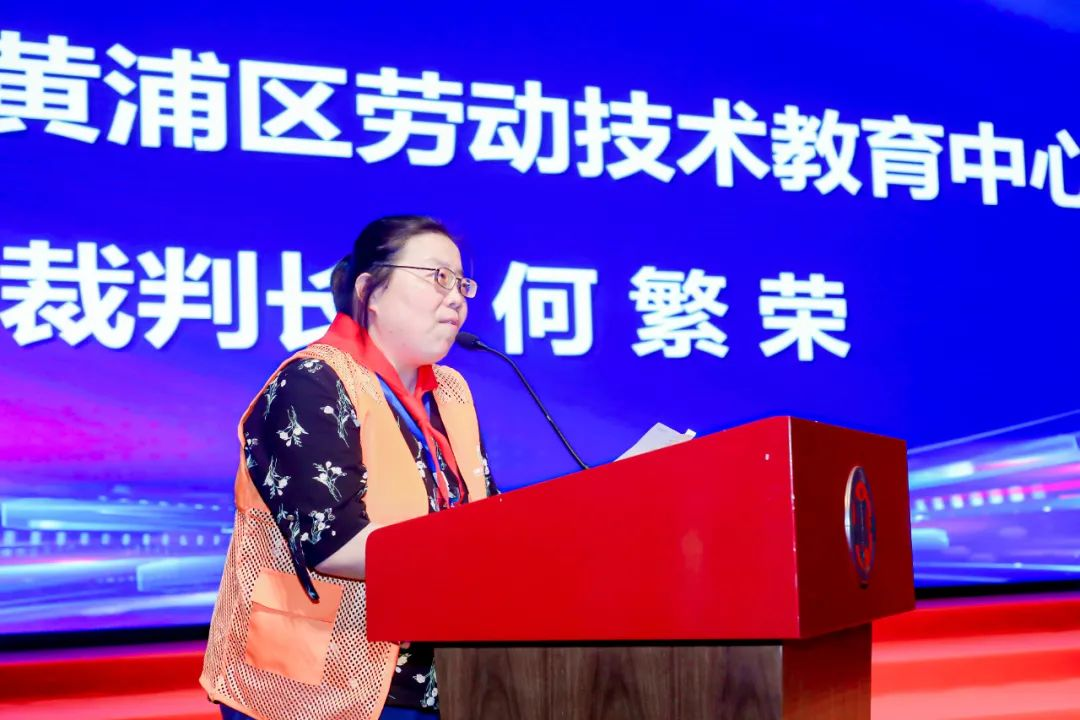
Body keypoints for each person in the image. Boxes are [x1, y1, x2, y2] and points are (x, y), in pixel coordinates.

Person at [201, 215, 499, 720]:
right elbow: (333, 544)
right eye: (437, 277)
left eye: (461, 284)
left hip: (439, 678)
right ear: (370, 291)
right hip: (312, 688)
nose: (456, 299)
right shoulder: (312, 382)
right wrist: (467, 555)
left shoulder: (451, 392)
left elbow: (483, 513)